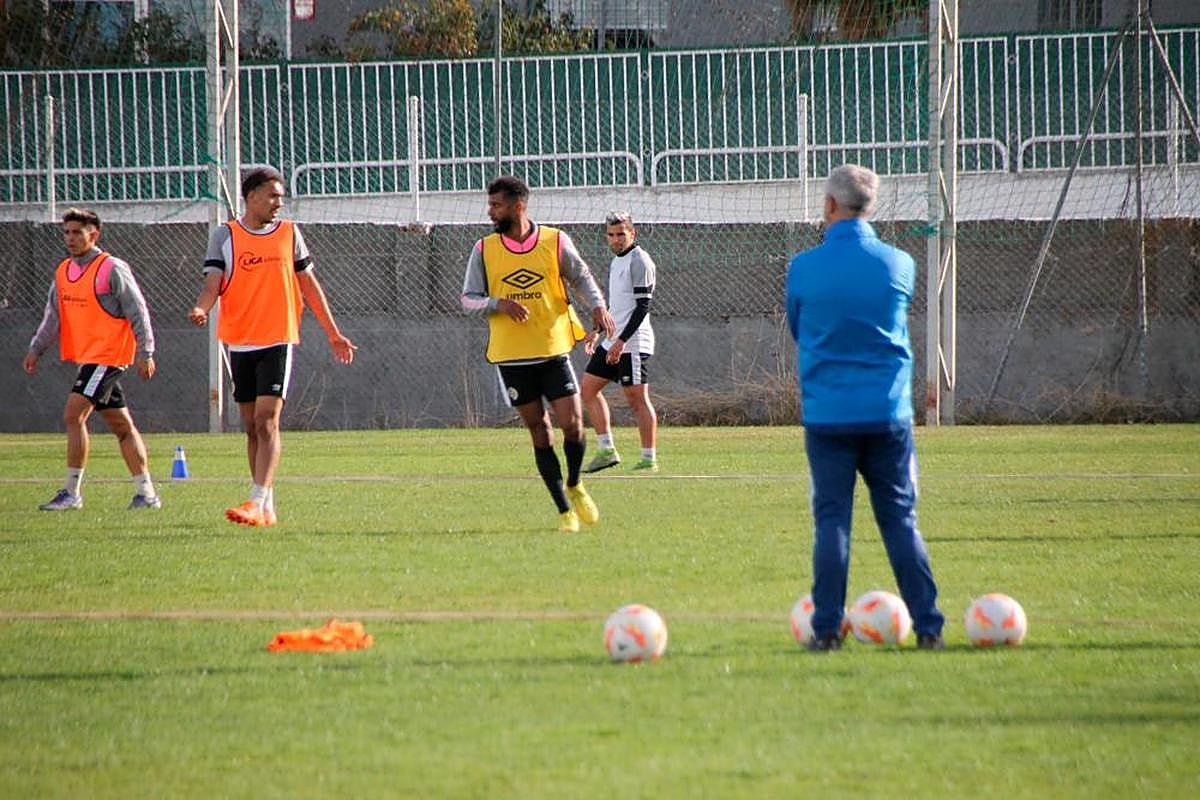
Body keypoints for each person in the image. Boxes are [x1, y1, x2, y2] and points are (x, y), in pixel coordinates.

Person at [785, 164, 946, 652]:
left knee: (832, 520)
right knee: (900, 519)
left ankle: (828, 630)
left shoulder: (803, 267)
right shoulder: (900, 263)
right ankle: (929, 629)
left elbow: (799, 327)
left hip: (828, 414)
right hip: (888, 412)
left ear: (831, 205)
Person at [188, 167, 356, 527]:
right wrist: (202, 308)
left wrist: (333, 333)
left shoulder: (289, 234)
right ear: (251, 197)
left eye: (281, 197)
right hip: (239, 341)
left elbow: (309, 286)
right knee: (251, 427)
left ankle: (255, 500)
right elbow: (212, 282)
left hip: (278, 338)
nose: (278, 203)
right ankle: (266, 506)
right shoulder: (225, 236)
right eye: (272, 196)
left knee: (267, 421)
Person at [460, 175, 616, 533]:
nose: (490, 211)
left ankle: (575, 483)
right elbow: (467, 299)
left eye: (496, 205)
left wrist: (597, 306)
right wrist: (498, 304)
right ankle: (564, 511)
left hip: (552, 350)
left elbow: (581, 277)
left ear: (518, 205)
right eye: (490, 204)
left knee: (573, 425)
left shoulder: (554, 241)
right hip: (513, 358)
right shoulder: (484, 249)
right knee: (540, 432)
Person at [23, 207, 161, 511]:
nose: (71, 238)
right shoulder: (64, 271)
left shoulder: (111, 268)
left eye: (77, 232)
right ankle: (147, 494)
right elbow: (52, 317)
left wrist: (146, 351)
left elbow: (137, 310)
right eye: (67, 232)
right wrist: (36, 348)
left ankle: (71, 493)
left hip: (108, 356)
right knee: (122, 426)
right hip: (90, 359)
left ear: (94, 235)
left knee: (74, 415)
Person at [580, 211, 659, 474]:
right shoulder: (617, 261)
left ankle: (648, 458)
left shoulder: (640, 260)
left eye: (621, 234)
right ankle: (606, 450)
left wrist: (622, 341)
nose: (616, 239)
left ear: (632, 233)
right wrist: (598, 330)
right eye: (611, 235)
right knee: (588, 390)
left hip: (632, 343)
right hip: (613, 340)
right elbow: (618, 307)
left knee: (636, 400)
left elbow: (643, 306)